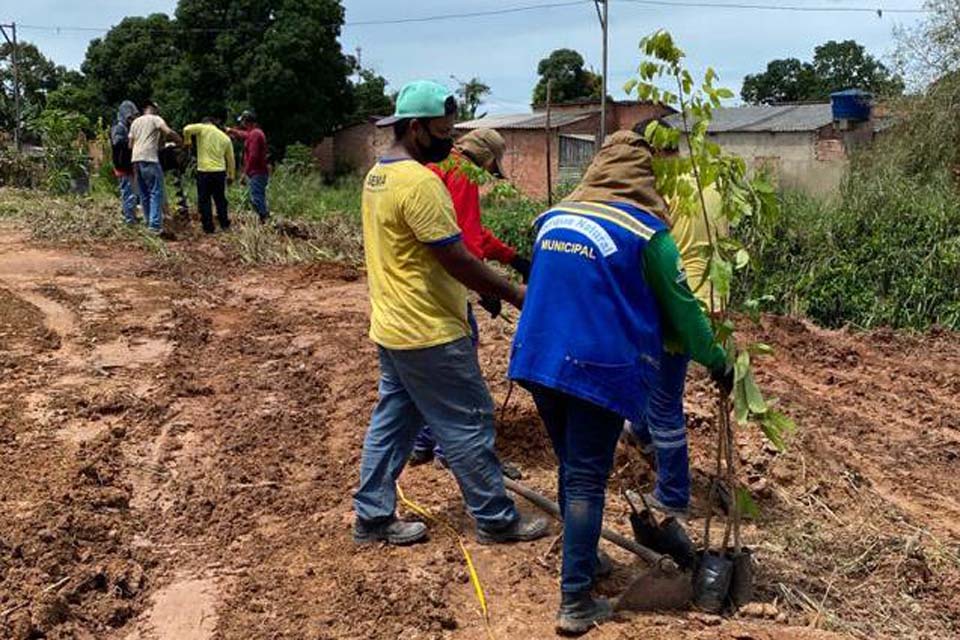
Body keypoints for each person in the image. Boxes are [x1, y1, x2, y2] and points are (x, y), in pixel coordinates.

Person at [507, 131, 734, 634]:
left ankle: (584, 558)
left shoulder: (551, 219)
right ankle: (576, 601)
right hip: (595, 366)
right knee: (588, 477)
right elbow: (684, 311)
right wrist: (717, 360)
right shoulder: (646, 233)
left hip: (537, 359)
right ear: (644, 177)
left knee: (572, 468)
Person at [352, 80, 548, 547]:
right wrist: (519, 294)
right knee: (468, 419)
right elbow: (457, 257)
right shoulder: (420, 183)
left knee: (394, 420)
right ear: (416, 128)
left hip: (393, 326)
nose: (449, 140)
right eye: (442, 132)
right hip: (430, 330)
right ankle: (497, 519)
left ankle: (372, 516)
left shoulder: (378, 175)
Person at [621, 118, 731, 520]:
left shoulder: (657, 191)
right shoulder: (712, 186)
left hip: (672, 305)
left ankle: (672, 493)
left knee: (665, 400)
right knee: (658, 386)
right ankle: (641, 433)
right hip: (709, 298)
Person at [409, 127, 532, 467]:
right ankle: (455, 452)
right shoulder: (461, 174)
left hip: (421, 284)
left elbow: (473, 231)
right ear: (487, 158)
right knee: (462, 370)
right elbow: (463, 239)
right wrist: (486, 288)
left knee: (435, 371)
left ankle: (422, 442)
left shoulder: (439, 166)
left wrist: (513, 258)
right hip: (446, 286)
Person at [129, 101, 182, 234]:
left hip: (136, 159)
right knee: (155, 192)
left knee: (144, 193)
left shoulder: (135, 122)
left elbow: (130, 144)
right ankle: (155, 225)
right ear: (153, 109)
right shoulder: (156, 119)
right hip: (150, 159)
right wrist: (180, 141)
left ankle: (148, 222)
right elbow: (168, 132)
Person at [183, 117, 236, 233]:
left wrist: (188, 142)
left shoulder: (203, 128)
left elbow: (186, 129)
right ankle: (224, 224)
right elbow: (231, 159)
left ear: (205, 123)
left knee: (204, 200)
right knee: (220, 199)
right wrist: (231, 175)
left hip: (204, 171)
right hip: (219, 172)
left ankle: (208, 227)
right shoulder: (225, 138)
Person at [227, 110, 270, 222]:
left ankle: (265, 220)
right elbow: (245, 135)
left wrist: (244, 173)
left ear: (247, 121)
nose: (242, 124)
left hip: (257, 172)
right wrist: (232, 131)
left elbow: (253, 156)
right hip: (258, 172)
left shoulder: (255, 134)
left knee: (256, 198)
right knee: (258, 196)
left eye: (243, 121)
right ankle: (265, 219)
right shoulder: (255, 133)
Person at [110, 100, 140, 224]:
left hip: (128, 165)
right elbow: (116, 142)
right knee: (128, 193)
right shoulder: (119, 127)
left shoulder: (127, 128)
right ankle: (129, 220)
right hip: (122, 165)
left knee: (133, 193)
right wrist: (130, 142)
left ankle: (130, 215)